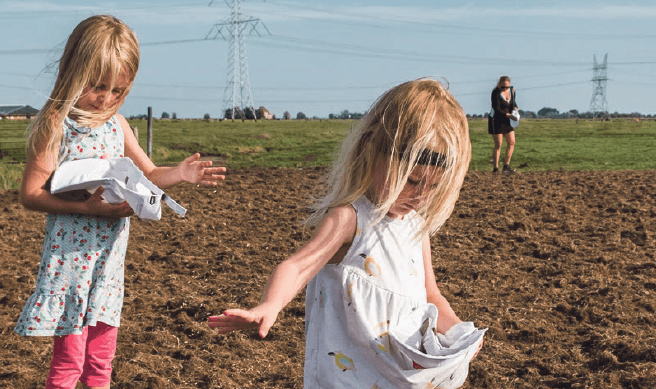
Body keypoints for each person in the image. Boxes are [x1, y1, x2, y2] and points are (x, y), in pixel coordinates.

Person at [208, 78, 485, 388]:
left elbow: (431, 296)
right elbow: (298, 266)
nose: (420, 197)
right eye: (412, 180)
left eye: (433, 186)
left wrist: (460, 332)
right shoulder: (349, 220)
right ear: (372, 151)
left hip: (398, 378)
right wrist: (269, 305)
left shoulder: (415, 228)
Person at [14, 15, 225, 389]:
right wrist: (87, 208)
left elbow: (147, 174)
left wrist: (180, 173)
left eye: (118, 91)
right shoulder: (55, 125)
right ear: (73, 72)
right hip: (71, 268)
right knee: (68, 364)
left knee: (100, 362)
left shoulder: (118, 124)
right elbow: (30, 195)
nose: (107, 98)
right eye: (98, 87)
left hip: (108, 269)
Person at [488, 75, 518, 173]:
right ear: (499, 84)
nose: (505, 89)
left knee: (512, 142)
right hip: (497, 120)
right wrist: (508, 115)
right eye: (503, 87)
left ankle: (506, 166)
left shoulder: (512, 92)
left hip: (508, 120)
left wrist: (515, 109)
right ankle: (496, 168)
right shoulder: (495, 92)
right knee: (498, 144)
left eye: (507, 87)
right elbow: (496, 108)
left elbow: (513, 103)